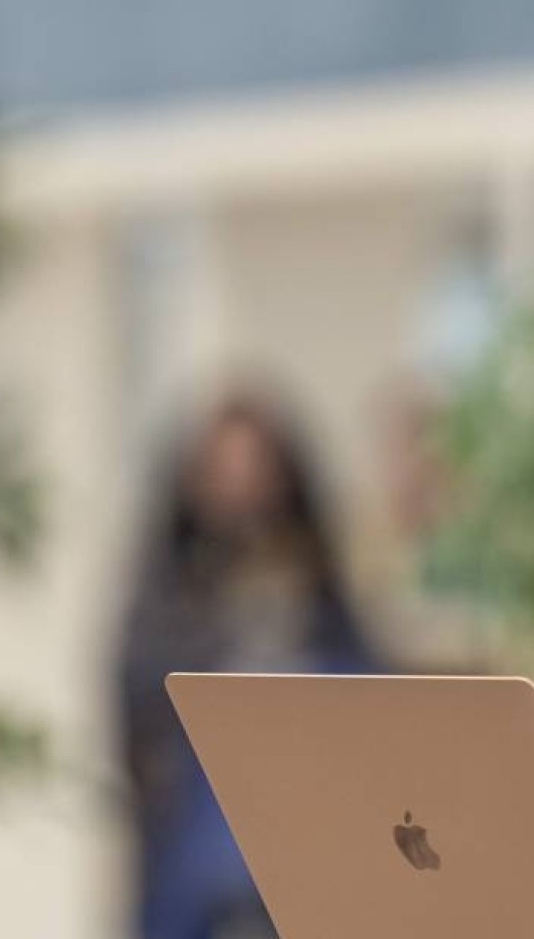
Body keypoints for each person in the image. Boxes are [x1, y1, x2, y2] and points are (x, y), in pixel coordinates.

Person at [116, 386, 381, 939]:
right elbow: (138, 704)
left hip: (320, 815)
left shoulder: (322, 595)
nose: (242, 493)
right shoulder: (167, 596)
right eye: (225, 473)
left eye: (256, 471)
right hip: (201, 832)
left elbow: (373, 694)